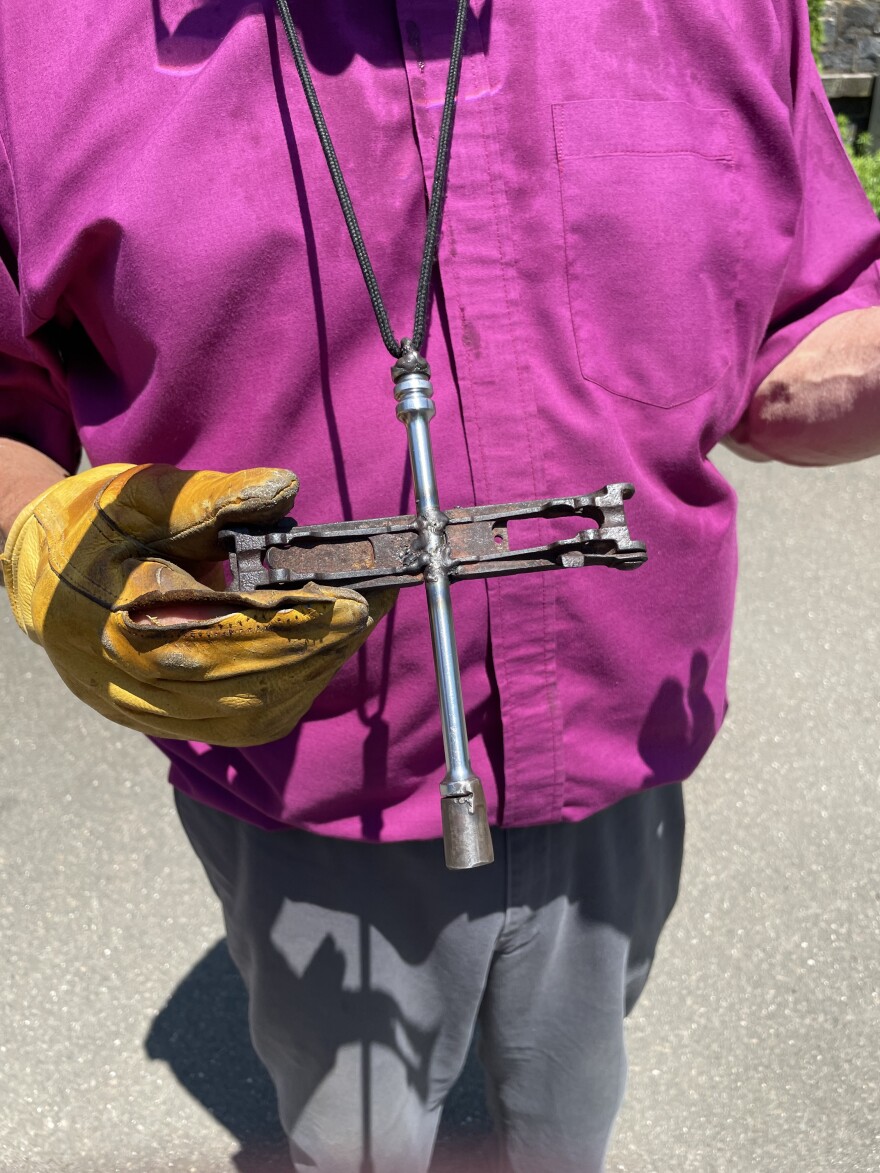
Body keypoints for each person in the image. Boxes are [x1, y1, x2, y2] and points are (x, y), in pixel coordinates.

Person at [1, 3, 878, 1171]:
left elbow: (795, 331)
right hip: (296, 780)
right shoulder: (36, 35)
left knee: (567, 1124)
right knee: (354, 1141)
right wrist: (36, 533)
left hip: (621, 759)